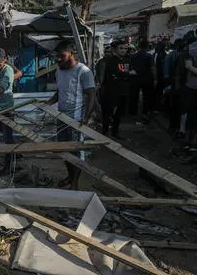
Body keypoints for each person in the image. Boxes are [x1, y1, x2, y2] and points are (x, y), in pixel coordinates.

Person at [45, 41, 95, 188]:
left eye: (62, 56)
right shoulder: (59, 71)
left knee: (76, 151)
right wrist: (49, 102)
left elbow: (91, 94)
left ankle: (74, 182)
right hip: (61, 116)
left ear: (72, 53)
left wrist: (86, 117)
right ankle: (70, 176)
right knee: (63, 149)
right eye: (58, 57)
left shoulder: (83, 71)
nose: (59, 59)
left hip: (76, 118)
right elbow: (60, 91)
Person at [100, 40, 134, 139]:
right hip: (111, 91)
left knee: (119, 113)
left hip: (124, 91)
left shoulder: (128, 60)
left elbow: (133, 73)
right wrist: (125, 75)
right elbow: (116, 73)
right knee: (108, 112)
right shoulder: (110, 61)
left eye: (125, 48)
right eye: (121, 48)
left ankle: (115, 132)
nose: (123, 50)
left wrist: (122, 75)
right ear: (115, 49)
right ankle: (104, 132)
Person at [128, 40, 156, 120]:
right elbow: (153, 68)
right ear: (147, 47)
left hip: (135, 79)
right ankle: (144, 113)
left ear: (139, 47)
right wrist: (155, 79)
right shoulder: (149, 56)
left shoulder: (133, 56)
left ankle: (133, 114)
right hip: (147, 79)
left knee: (133, 97)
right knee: (146, 97)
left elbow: (130, 68)